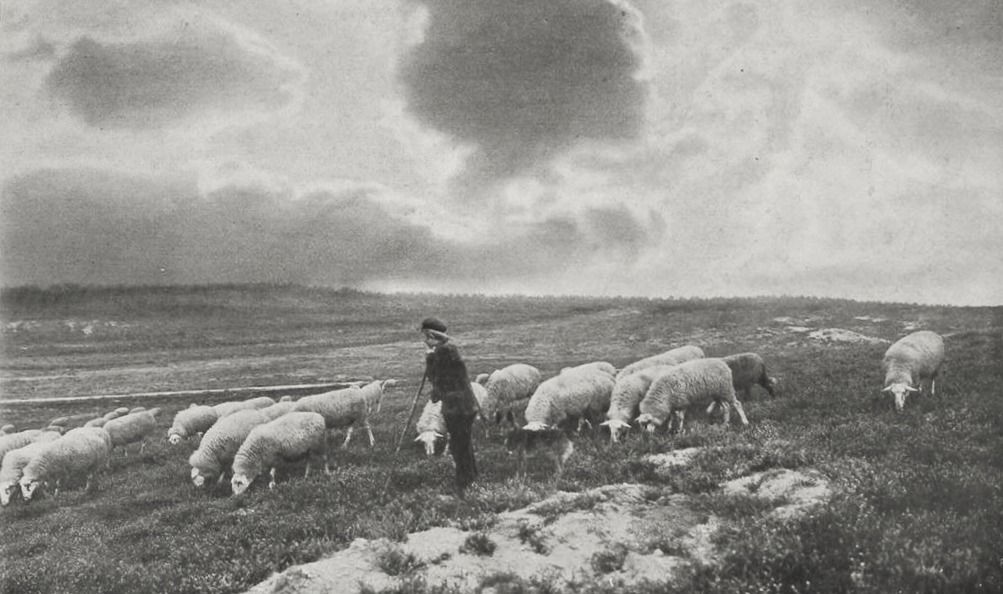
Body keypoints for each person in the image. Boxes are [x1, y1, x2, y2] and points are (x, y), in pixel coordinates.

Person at [420, 316, 479, 496]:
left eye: (426, 336)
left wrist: (429, 358)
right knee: (464, 444)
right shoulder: (450, 349)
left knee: (458, 446)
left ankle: (464, 485)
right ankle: (471, 479)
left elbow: (436, 379)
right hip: (466, 404)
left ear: (432, 336)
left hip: (456, 406)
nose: (424, 341)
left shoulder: (442, 352)